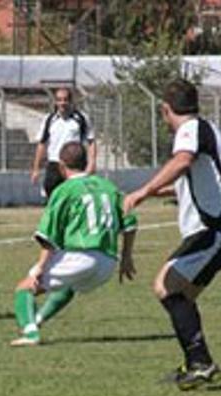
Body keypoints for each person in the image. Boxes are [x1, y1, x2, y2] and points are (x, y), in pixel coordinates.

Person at [124, 79, 221, 391]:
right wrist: (154, 193)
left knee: (165, 286)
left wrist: (143, 190)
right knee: (183, 297)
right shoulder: (205, 128)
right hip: (219, 232)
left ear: (165, 109)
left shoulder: (190, 129)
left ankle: (201, 362)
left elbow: (181, 162)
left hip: (217, 231)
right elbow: (187, 178)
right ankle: (193, 363)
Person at [11, 142, 137, 347]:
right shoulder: (108, 186)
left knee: (24, 288)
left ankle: (30, 333)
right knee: (67, 288)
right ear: (86, 162)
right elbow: (130, 223)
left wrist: (38, 270)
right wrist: (127, 257)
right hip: (108, 263)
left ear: (62, 166)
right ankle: (39, 321)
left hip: (82, 255)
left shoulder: (64, 191)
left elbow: (48, 238)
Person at [30, 87, 97, 198]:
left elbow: (91, 141)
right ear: (56, 102)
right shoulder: (49, 119)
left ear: (71, 101)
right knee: (52, 198)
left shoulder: (81, 118)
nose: (63, 103)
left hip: (75, 166)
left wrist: (92, 162)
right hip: (54, 164)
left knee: (76, 197)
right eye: (59, 100)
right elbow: (41, 144)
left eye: (65, 99)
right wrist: (36, 169)